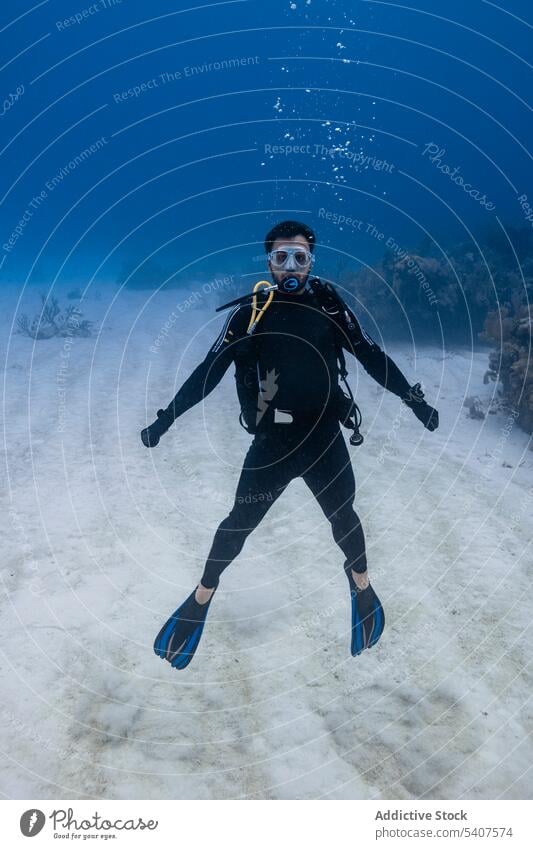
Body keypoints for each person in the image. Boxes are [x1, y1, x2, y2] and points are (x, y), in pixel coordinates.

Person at [142, 221, 439, 670]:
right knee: (238, 523)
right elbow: (209, 372)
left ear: (312, 260)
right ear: (269, 263)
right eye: (281, 257)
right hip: (274, 441)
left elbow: (372, 357)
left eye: (300, 257)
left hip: (323, 438)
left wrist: (414, 401)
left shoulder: (330, 305)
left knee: (345, 518)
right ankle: (201, 598)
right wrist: (166, 419)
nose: (290, 266)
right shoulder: (251, 314)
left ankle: (360, 584)